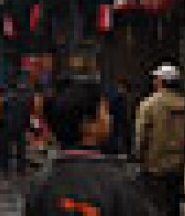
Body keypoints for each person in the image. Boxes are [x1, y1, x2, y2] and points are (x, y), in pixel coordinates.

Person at [25, 75, 158, 215]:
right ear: (88, 125)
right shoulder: (120, 183)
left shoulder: (40, 183)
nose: (110, 118)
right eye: (105, 111)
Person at [134, 64, 185, 216]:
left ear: (161, 81)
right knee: (173, 204)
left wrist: (138, 156)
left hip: (154, 162)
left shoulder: (149, 104)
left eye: (156, 78)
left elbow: (141, 134)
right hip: (177, 162)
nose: (154, 81)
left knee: (155, 204)